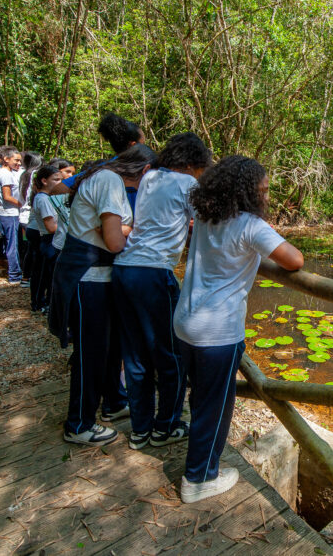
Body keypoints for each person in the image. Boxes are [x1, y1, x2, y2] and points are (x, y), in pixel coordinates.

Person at [173, 155, 303, 503]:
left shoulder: (204, 216)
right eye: (263, 190)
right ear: (246, 192)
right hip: (217, 332)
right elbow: (294, 260)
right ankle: (198, 479)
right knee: (215, 407)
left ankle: (200, 468)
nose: (267, 196)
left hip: (186, 322)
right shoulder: (250, 225)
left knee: (201, 399)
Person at [48, 145, 156, 446]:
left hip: (97, 278)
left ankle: (112, 402)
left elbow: (106, 228)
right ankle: (79, 423)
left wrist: (124, 229)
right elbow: (113, 242)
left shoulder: (102, 178)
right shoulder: (109, 182)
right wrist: (139, 231)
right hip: (89, 278)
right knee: (91, 353)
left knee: (109, 348)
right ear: (145, 171)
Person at [113, 133, 212, 450]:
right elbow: (208, 223)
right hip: (154, 273)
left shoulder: (150, 176)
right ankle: (166, 426)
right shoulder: (187, 185)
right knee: (171, 355)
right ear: (190, 164)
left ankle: (140, 429)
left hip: (124, 269)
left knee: (136, 355)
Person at [29, 164, 64, 312]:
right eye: (55, 179)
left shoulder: (48, 198)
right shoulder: (43, 199)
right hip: (49, 240)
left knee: (49, 276)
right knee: (44, 275)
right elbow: (50, 227)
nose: (59, 183)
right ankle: (40, 303)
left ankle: (47, 303)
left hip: (51, 240)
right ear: (44, 181)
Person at [0, 146, 23, 283]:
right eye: (16, 160)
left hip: (6, 213)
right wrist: (23, 204)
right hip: (10, 213)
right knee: (13, 245)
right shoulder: (5, 174)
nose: (19, 163)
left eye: (20, 161)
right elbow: (7, 196)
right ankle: (14, 274)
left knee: (10, 243)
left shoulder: (1, 172)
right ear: (6, 159)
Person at [18, 151, 43, 287]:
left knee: (28, 246)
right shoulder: (35, 174)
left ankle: (25, 276)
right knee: (33, 248)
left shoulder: (24, 174)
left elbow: (21, 197)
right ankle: (30, 276)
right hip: (31, 218)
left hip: (24, 216)